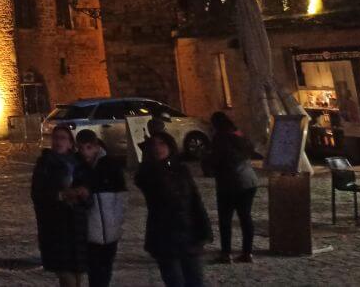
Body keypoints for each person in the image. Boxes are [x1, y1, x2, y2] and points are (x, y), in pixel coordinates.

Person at [135, 131, 211, 287]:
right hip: (165, 237)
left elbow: (195, 201)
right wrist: (148, 159)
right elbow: (145, 182)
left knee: (195, 281)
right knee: (175, 281)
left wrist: (204, 228)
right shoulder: (148, 173)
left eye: (162, 143)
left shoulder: (182, 170)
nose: (158, 148)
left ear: (170, 145)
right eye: (153, 145)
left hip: (189, 234)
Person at [31, 125, 88, 287]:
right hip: (55, 225)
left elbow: (89, 188)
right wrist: (61, 195)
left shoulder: (78, 163)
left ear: (71, 143)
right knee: (64, 271)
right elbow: (38, 194)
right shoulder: (45, 164)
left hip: (77, 224)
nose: (58, 141)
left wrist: (84, 193)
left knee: (77, 272)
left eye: (63, 138)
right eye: (55, 138)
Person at [76, 129, 127, 287]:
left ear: (97, 146)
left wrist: (116, 223)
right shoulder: (78, 167)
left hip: (109, 229)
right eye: (81, 148)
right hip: (90, 231)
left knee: (105, 271)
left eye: (89, 147)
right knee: (94, 272)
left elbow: (121, 197)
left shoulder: (110, 165)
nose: (85, 152)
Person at [206, 112, 259, 264]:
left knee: (225, 220)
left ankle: (226, 253)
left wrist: (207, 160)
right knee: (245, 217)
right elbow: (251, 151)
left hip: (229, 183)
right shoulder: (239, 135)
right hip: (249, 180)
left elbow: (216, 161)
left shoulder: (220, 138)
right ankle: (247, 252)